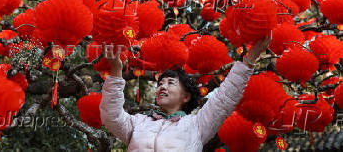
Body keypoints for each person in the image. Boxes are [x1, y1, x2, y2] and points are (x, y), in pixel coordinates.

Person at [99, 35, 271, 151]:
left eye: (170, 83)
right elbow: (111, 116)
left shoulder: (196, 125)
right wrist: (116, 72)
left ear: (186, 96)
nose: (162, 87)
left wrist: (250, 59)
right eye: (160, 84)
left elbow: (224, 98)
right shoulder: (139, 123)